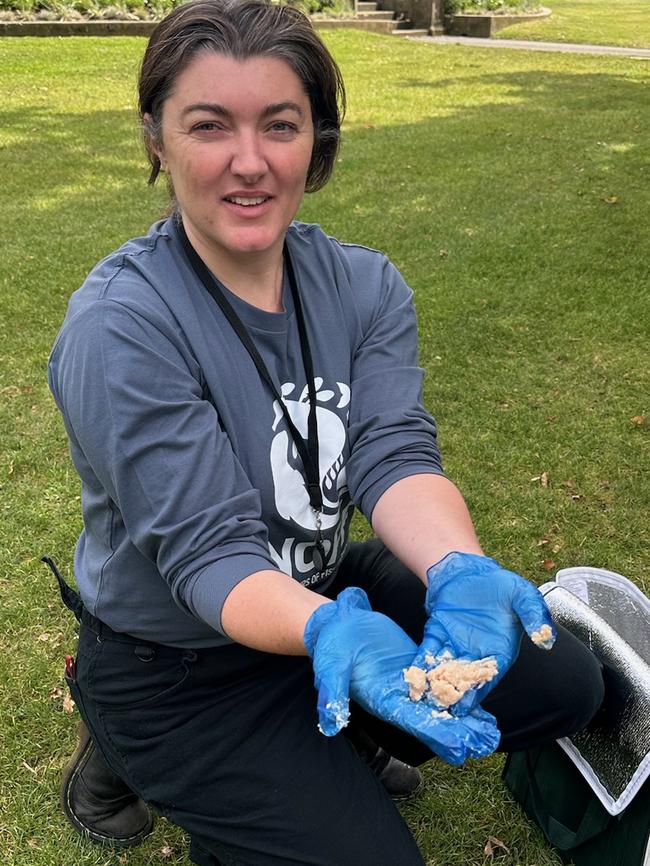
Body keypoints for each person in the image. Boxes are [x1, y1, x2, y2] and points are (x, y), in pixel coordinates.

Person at [47, 1, 605, 863]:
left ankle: (328, 735)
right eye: (209, 125)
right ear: (156, 137)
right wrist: (325, 634)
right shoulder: (121, 326)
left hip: (321, 586)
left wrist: (456, 566)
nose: (250, 162)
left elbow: (393, 455)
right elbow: (208, 555)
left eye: (281, 124)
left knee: (563, 686)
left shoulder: (364, 285)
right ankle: (124, 746)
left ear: (318, 138)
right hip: (177, 661)